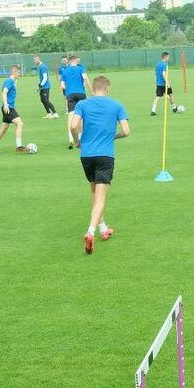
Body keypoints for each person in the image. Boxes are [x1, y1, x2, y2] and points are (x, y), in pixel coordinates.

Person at [70, 75, 130, 254]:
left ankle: (103, 227)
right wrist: (114, 136)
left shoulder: (82, 105)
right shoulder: (116, 105)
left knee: (94, 192)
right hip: (105, 155)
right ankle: (91, 231)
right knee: (101, 197)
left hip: (86, 155)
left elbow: (73, 126)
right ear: (107, 88)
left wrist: (77, 141)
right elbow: (126, 131)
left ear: (93, 88)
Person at [0, 65, 27, 154]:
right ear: (14, 72)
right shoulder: (9, 81)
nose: (20, 74)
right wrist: (6, 105)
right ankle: (19, 146)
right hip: (8, 108)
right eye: (18, 72)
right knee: (20, 123)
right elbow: (4, 92)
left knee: (4, 127)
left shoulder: (12, 81)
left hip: (6, 107)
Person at [61, 54, 90, 149]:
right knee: (81, 116)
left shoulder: (65, 71)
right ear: (75, 61)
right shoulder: (80, 69)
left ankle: (71, 139)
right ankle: (81, 139)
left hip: (70, 95)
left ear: (69, 62)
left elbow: (62, 86)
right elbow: (85, 78)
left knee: (71, 116)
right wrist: (90, 89)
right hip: (81, 93)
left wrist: (69, 88)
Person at [151, 51, 178, 116]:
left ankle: (153, 110)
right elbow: (163, 74)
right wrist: (167, 83)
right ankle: (174, 108)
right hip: (164, 84)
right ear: (165, 57)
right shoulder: (165, 65)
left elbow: (156, 73)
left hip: (158, 84)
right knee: (171, 95)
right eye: (168, 57)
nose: (168, 58)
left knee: (157, 97)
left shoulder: (157, 64)